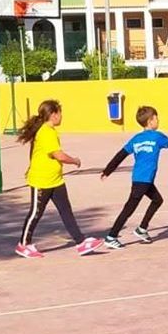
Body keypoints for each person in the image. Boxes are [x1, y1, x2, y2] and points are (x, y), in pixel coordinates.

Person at [15, 100, 104, 259]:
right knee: (35, 213)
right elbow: (58, 155)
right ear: (53, 114)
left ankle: (81, 242)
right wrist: (75, 160)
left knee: (66, 211)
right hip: (41, 181)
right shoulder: (46, 132)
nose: (61, 116)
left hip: (55, 180)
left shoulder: (51, 131)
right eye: (60, 113)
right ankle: (23, 245)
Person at [101, 106, 168, 249]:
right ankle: (111, 236)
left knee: (157, 200)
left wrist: (108, 170)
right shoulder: (157, 137)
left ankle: (142, 229)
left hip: (141, 179)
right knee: (129, 208)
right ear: (150, 121)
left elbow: (120, 155)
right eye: (156, 118)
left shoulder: (136, 139)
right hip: (143, 181)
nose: (158, 120)